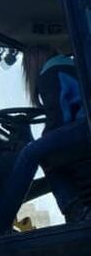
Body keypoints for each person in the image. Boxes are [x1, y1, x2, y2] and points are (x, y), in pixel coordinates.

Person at [19, 45, 91, 223]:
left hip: (82, 131)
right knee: (43, 148)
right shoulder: (70, 65)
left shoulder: (51, 71)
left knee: (36, 153)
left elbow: (61, 118)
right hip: (83, 130)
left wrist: (43, 138)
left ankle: (74, 208)